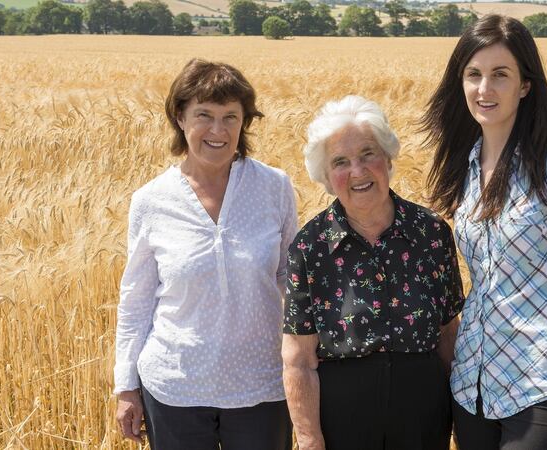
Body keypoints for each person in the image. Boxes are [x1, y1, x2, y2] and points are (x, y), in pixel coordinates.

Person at [420, 14, 547, 450]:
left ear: (525, 85)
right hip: (473, 381)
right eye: (473, 74)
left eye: (500, 75)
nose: (484, 89)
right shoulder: (466, 167)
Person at [113, 58, 297, 450]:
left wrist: (309, 361)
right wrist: (126, 386)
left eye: (231, 117)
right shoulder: (151, 201)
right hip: (175, 387)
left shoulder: (274, 187)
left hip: (261, 385)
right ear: (180, 117)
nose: (218, 130)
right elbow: (136, 300)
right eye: (204, 116)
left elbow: (291, 280)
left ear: (244, 122)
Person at [281, 95, 465, 450]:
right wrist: (309, 439)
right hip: (342, 422)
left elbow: (449, 335)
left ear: (388, 158)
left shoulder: (430, 232)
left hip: (423, 418)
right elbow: (299, 359)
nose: (357, 171)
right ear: (326, 177)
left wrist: (463, 421)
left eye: (368, 154)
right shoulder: (310, 246)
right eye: (340, 162)